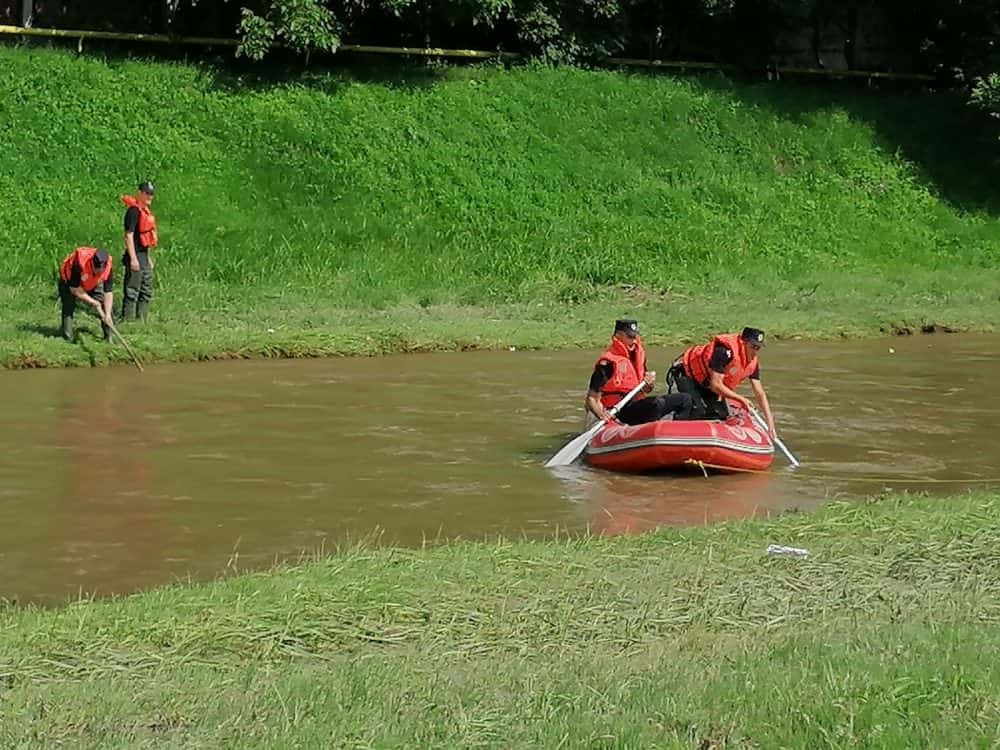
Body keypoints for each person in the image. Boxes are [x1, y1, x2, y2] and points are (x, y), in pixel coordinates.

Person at [667, 326, 777, 436]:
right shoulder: (724, 351)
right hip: (687, 374)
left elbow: (759, 392)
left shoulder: (752, 363)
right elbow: (716, 384)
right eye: (753, 346)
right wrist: (741, 399)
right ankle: (673, 431)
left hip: (708, 383)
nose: (755, 351)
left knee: (721, 415)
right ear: (743, 342)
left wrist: (770, 420)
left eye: (758, 348)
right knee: (696, 411)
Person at [586, 319, 692, 425]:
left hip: (635, 406)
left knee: (685, 399)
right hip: (617, 410)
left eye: (635, 337)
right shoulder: (607, 363)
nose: (634, 341)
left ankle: (675, 431)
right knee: (656, 404)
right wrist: (602, 415)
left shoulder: (638, 357)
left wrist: (648, 383)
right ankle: (648, 432)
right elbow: (592, 398)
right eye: (630, 337)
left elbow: (646, 390)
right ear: (618, 336)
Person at [120, 180, 159, 322]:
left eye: (152, 194)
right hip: (135, 257)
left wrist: (147, 258)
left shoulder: (145, 212)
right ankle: (127, 320)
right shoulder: (133, 211)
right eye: (147, 193)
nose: (150, 196)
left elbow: (145, 239)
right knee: (132, 290)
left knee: (146, 290)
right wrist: (133, 258)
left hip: (144, 256)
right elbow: (128, 235)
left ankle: (141, 319)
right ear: (140, 193)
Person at [58, 247, 114, 342]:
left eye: (101, 270)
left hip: (92, 282)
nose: (99, 272)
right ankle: (67, 338)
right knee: (69, 306)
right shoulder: (79, 263)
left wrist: (107, 314)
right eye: (97, 269)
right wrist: (93, 302)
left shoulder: (108, 266)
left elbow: (108, 292)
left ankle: (109, 338)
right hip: (69, 282)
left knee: (106, 307)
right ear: (92, 263)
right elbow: (74, 289)